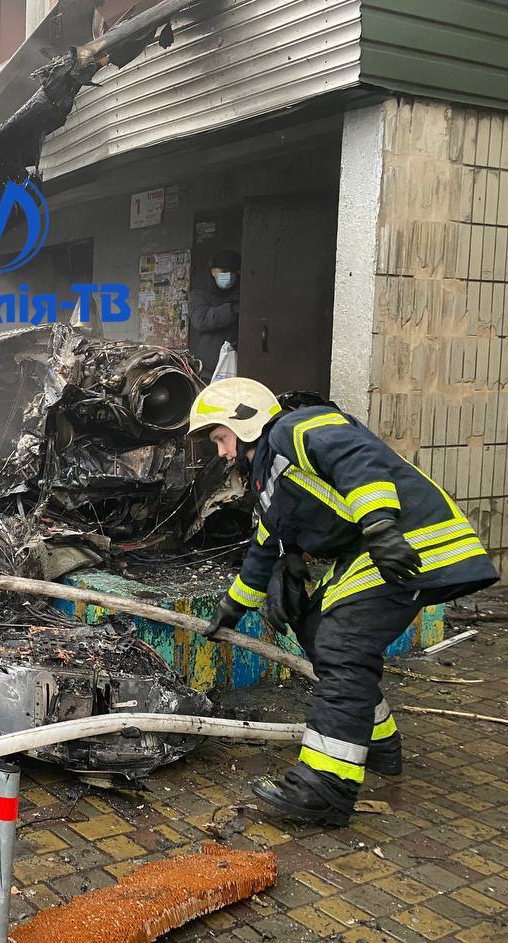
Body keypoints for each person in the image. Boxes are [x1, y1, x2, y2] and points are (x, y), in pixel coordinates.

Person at [189, 377, 498, 826]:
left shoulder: (294, 428)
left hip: (409, 541)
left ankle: (325, 787)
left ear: (246, 419)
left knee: (342, 645)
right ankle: (378, 742)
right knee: (318, 632)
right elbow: (265, 544)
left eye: (221, 437)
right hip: (371, 553)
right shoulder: (268, 476)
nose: (220, 452)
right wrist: (233, 607)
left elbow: (357, 457)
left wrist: (380, 525)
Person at [186, 250, 241, 378]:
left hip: (236, 364)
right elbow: (201, 320)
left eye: (232, 272)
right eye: (223, 271)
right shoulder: (200, 295)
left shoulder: (243, 293)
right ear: (213, 272)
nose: (228, 275)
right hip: (208, 368)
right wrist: (232, 309)